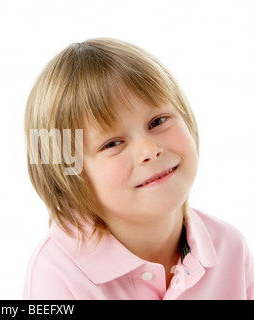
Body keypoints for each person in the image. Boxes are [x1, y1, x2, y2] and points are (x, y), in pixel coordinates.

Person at [23, 38, 254, 299]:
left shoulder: (230, 247)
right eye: (112, 143)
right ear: (68, 173)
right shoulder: (58, 274)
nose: (149, 150)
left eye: (158, 121)